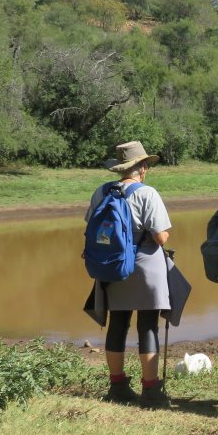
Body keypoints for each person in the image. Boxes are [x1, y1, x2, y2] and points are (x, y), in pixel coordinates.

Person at [86, 141, 172, 408]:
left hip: (112, 266)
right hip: (144, 265)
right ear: (142, 168)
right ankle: (150, 390)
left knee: (118, 324)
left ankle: (118, 385)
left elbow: (91, 228)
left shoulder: (101, 192)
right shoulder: (147, 193)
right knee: (147, 326)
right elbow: (160, 237)